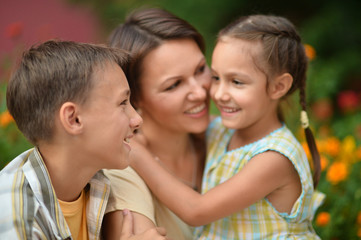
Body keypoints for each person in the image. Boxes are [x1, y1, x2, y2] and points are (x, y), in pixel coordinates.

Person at [130, 14, 326, 239]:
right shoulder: (222, 132)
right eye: (215, 77)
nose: (217, 94)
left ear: (278, 87)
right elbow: (165, 130)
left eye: (237, 82)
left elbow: (197, 211)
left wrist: (136, 153)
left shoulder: (274, 157)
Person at [0, 40, 167, 240]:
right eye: (122, 103)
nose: (137, 119)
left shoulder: (95, 181)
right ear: (73, 119)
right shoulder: (18, 215)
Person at [101, 8, 211, 240]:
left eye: (201, 70)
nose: (200, 92)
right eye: (174, 85)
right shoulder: (122, 171)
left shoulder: (226, 136)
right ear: (136, 98)